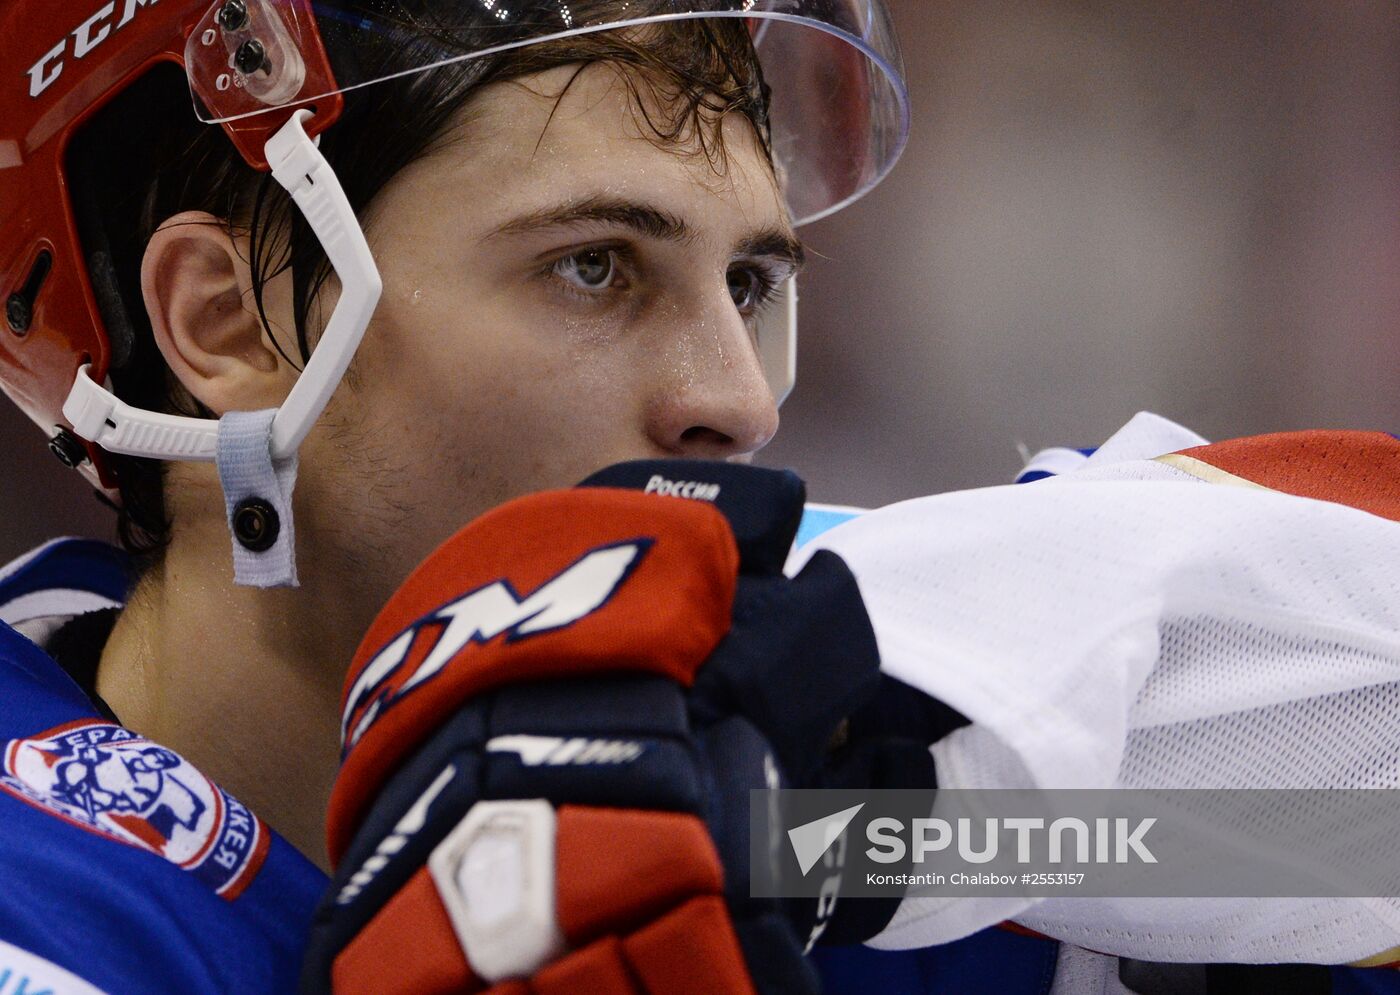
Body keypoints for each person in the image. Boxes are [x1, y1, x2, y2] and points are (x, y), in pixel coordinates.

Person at [3, 2, 1400, 994]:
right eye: (596, 266)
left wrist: (915, 790)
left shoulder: (823, 779)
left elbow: (1359, 809)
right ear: (229, 326)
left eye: (751, 284)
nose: (740, 396)